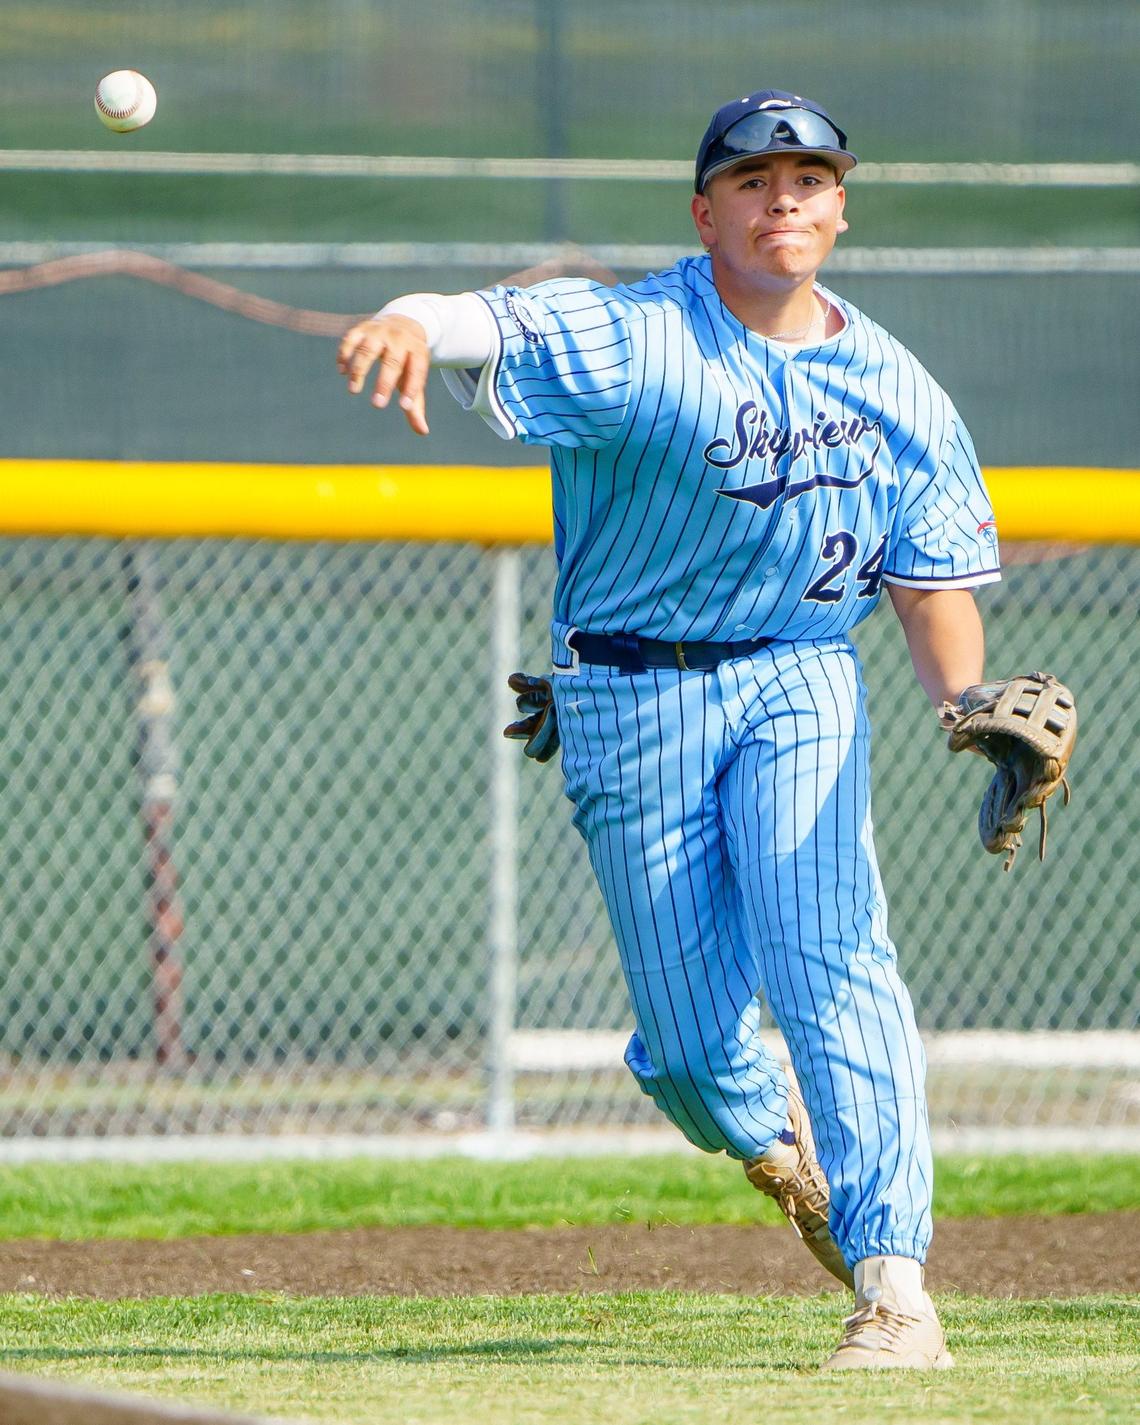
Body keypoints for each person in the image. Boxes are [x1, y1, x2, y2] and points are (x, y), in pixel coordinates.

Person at [337, 88, 1000, 1371]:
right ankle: (774, 1149)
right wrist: (414, 317)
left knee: (832, 960)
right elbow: (487, 320)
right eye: (754, 181)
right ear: (707, 212)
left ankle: (893, 1282)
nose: (783, 200)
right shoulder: (637, 336)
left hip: (801, 680)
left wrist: (964, 708)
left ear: (842, 208)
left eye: (809, 180)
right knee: (692, 1048)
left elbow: (929, 581)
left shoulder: (900, 389)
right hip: (630, 697)